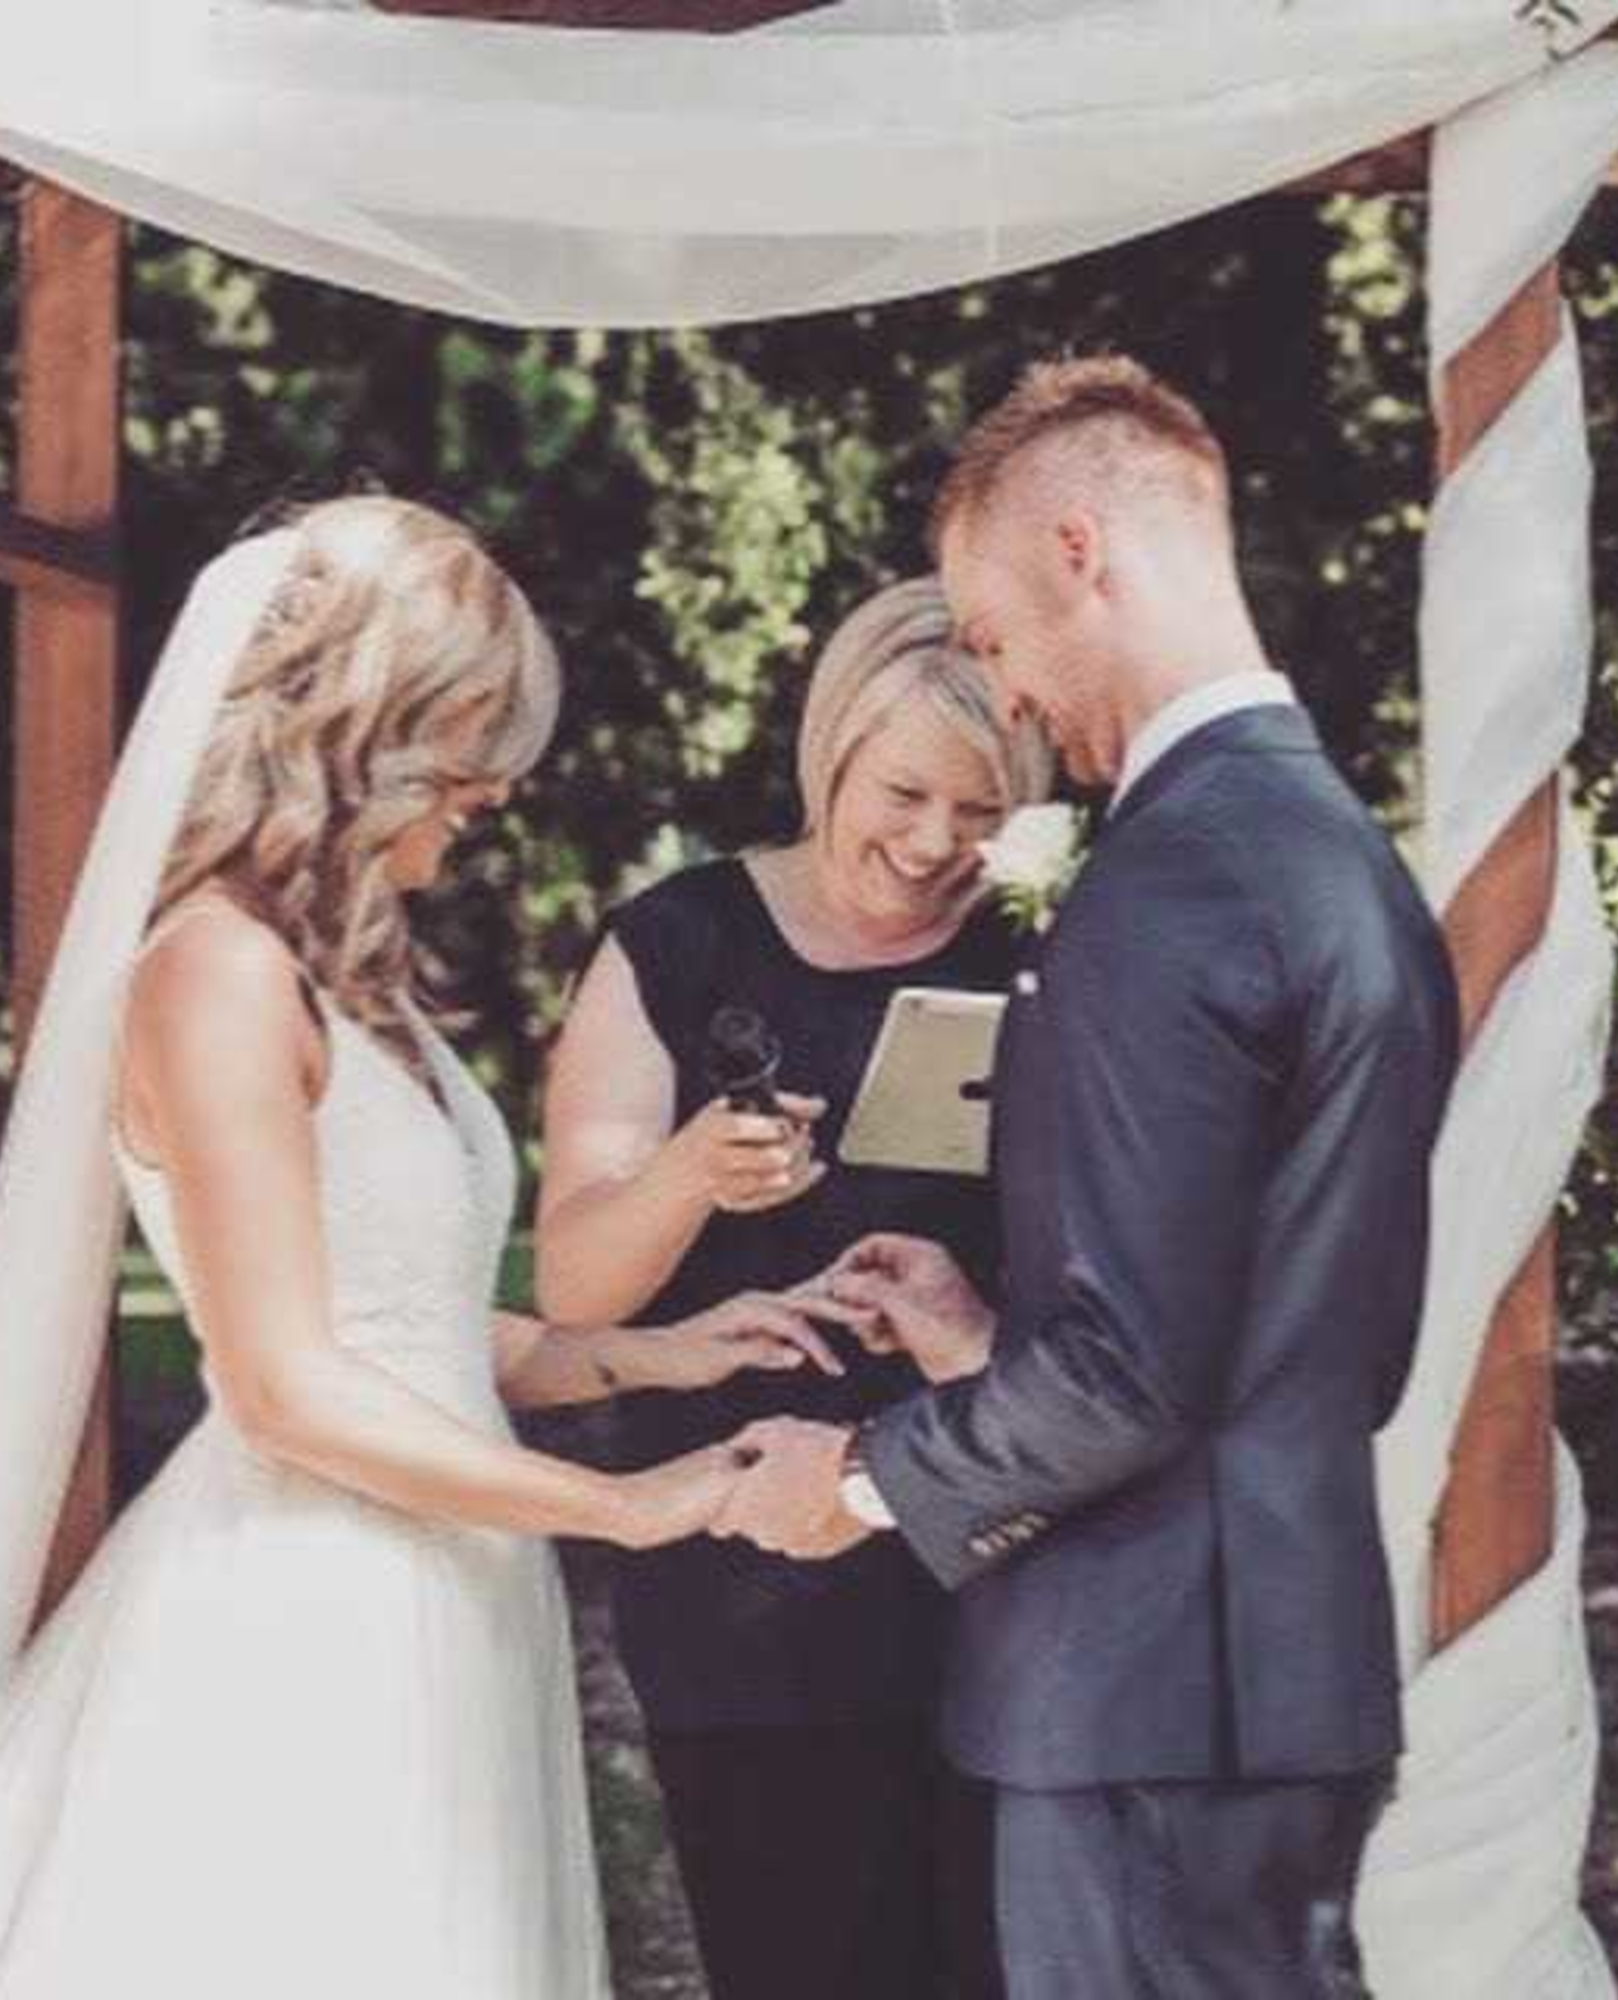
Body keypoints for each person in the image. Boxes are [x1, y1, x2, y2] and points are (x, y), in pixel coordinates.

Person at [0, 496, 847, 1998]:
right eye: (473, 743)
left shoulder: (361, 987)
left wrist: (644, 1351)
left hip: (455, 1588)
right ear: (364, 729)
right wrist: (622, 1506)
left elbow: (401, 1315)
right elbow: (286, 1384)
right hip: (308, 1609)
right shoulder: (211, 974)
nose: (493, 794)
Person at [714, 357, 1463, 1999]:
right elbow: (1307, 1322)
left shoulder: (1172, 879)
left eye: (990, 638)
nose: (1015, 697)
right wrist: (987, 1338)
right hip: (1278, 1653)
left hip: (1139, 1684)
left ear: (1079, 553)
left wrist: (852, 1479)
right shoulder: (1341, 858)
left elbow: (1129, 1381)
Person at [537, 577, 1051, 2000]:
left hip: (987, 1551)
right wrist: (692, 1176)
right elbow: (575, 1285)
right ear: (829, 749)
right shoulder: (676, 942)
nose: (937, 845)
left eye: (982, 811)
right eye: (904, 793)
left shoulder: (1036, 954)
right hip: (745, 1567)